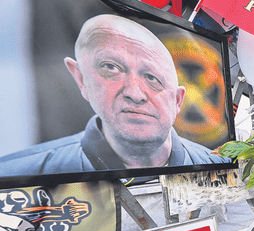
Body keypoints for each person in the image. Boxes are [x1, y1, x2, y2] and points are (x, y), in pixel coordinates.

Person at [0, 14, 229, 176]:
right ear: (81, 78)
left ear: (178, 100)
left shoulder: (220, 166)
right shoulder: (17, 175)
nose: (135, 94)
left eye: (152, 78)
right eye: (111, 67)